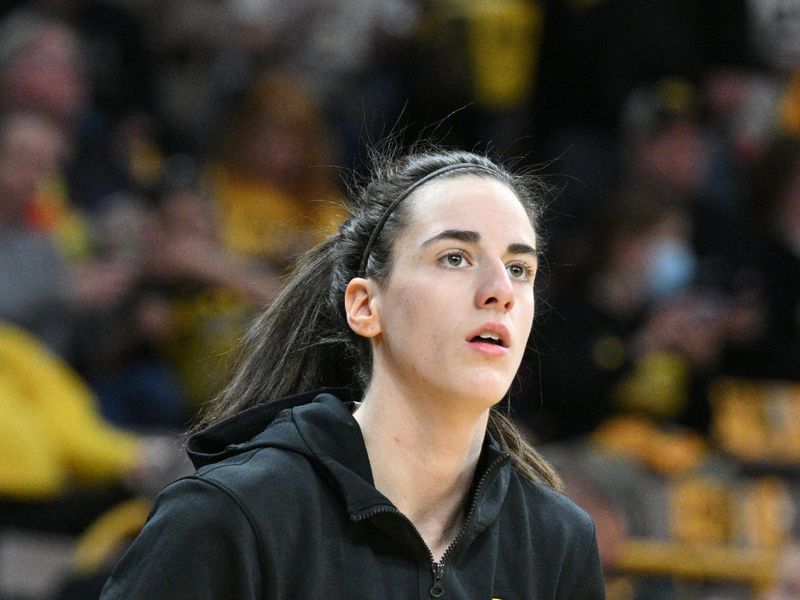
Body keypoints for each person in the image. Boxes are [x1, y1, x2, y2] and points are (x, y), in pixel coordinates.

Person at [100, 148, 605, 599]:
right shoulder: (233, 516)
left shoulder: (557, 543)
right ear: (365, 306)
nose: (500, 289)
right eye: (455, 258)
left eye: (520, 268)